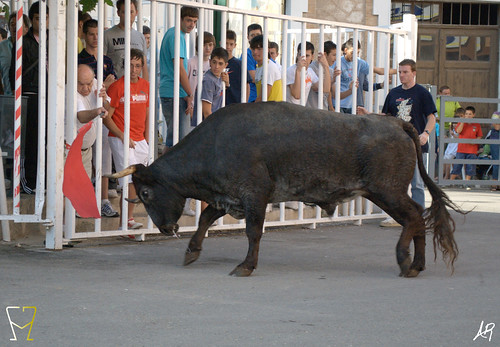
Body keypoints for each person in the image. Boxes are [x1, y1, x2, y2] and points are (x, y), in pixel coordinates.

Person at [359, 59, 436, 227]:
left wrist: (426, 134)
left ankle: (418, 217)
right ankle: (396, 215)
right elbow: (387, 116)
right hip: (396, 145)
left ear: (414, 73)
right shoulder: (393, 94)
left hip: (415, 144)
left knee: (416, 182)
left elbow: (432, 117)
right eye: (400, 72)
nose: (401, 75)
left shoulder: (422, 93)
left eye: (405, 72)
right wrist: (369, 113)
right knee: (395, 182)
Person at [78, 18, 121, 215]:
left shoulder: (107, 60)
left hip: (103, 112)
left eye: (98, 34)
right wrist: (103, 83)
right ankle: (82, 200)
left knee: (104, 156)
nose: (95, 38)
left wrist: (107, 86)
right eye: (91, 34)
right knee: (82, 155)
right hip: (82, 113)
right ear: (84, 35)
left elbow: (112, 89)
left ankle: (103, 200)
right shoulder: (79, 60)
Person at [103, 49, 149, 230]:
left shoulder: (145, 85)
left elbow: (146, 114)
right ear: (124, 66)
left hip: (139, 139)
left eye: (137, 66)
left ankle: (128, 220)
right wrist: (122, 135)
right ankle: (127, 221)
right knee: (129, 180)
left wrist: (146, 138)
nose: (134, 69)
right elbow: (107, 117)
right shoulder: (117, 87)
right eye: (130, 65)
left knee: (139, 180)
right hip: (120, 138)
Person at [9, 1, 48, 193]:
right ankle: (29, 181)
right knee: (30, 140)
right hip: (30, 96)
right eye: (39, 18)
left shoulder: (54, 41)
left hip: (49, 96)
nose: (42, 22)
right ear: (32, 20)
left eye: (46, 18)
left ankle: (46, 179)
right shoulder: (23, 43)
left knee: (48, 139)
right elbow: (13, 74)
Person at [159, 5, 198, 148]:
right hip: (173, 93)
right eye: (188, 20)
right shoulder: (176, 36)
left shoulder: (174, 34)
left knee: (174, 141)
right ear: (180, 19)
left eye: (194, 21)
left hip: (173, 92)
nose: (192, 25)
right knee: (179, 143)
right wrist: (189, 93)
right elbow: (180, 68)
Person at [68, 64, 110, 179]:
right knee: (67, 193)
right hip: (68, 151)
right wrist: (97, 111)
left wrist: (104, 100)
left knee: (82, 193)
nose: (86, 88)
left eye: (89, 83)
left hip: (86, 151)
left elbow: (107, 106)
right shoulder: (69, 90)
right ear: (73, 79)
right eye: (81, 84)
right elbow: (81, 116)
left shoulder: (96, 83)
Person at [334, 39, 395, 114]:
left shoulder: (360, 63)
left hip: (353, 105)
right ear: (345, 50)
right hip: (337, 104)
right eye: (352, 52)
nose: (355, 56)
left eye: (358, 53)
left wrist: (398, 70)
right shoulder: (337, 62)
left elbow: (379, 71)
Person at [104, 0, 148, 80]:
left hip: (136, 89)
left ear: (136, 13)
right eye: (124, 12)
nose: (128, 16)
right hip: (115, 87)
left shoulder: (140, 37)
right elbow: (101, 62)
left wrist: (146, 88)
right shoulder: (107, 35)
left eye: (131, 12)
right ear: (118, 13)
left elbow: (144, 67)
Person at [286, 41, 330, 106]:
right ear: (297, 55)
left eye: (307, 56)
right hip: (289, 111)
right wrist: (298, 71)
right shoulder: (291, 70)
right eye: (301, 55)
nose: (304, 59)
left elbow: (325, 89)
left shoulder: (310, 71)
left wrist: (326, 67)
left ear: (312, 57)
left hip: (301, 110)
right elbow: (296, 95)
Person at [450, 106, 483, 189]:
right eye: (466, 114)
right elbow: (458, 131)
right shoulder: (461, 122)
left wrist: (475, 141)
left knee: (470, 167)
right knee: (457, 166)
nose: (468, 115)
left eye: (470, 114)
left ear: (473, 115)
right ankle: (450, 182)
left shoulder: (477, 124)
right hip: (461, 149)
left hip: (472, 150)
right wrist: (462, 122)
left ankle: (467, 183)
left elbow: (479, 136)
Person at [0, 12, 29, 96]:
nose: (15, 27)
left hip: (26, 95)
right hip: (7, 95)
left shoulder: (31, 47)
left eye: (18, 24)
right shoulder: (2, 47)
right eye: (12, 24)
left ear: (26, 28)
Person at [187, 31, 215, 118]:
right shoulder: (190, 62)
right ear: (197, 46)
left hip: (208, 108)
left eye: (210, 45)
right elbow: (183, 83)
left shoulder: (214, 64)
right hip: (192, 107)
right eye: (204, 44)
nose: (207, 48)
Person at [307, 41, 340, 110]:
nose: (336, 58)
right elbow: (317, 88)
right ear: (324, 54)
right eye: (334, 55)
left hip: (323, 110)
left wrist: (331, 107)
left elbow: (328, 92)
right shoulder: (311, 68)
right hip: (311, 110)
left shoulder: (330, 70)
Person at [250, 35, 282, 102]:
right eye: (253, 49)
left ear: (267, 49)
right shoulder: (259, 67)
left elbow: (263, 97)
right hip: (266, 109)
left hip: (273, 110)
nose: (255, 52)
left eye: (259, 49)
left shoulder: (269, 67)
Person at [225, 29, 250, 105]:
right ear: (221, 42)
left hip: (236, 104)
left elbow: (247, 85)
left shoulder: (239, 64)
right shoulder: (215, 62)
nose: (228, 47)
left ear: (235, 45)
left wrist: (244, 104)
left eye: (231, 44)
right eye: (226, 43)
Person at [442, 108, 464, 180]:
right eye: (454, 123)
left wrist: (454, 135)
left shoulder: (459, 130)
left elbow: (459, 139)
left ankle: (447, 176)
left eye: (456, 123)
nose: (455, 125)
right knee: (444, 158)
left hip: (456, 148)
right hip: (450, 147)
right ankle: (443, 173)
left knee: (448, 159)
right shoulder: (452, 130)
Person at [244, 23, 262, 103]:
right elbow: (254, 78)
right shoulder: (246, 55)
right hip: (253, 99)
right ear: (248, 37)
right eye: (252, 35)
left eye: (258, 34)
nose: (255, 37)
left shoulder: (266, 53)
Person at [484, 112, 499, 190]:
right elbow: (496, 127)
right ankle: (494, 183)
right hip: (495, 141)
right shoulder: (496, 114)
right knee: (496, 162)